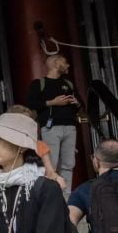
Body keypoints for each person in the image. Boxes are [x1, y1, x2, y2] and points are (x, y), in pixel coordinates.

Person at [26, 54, 80, 195]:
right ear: (56, 63)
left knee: (68, 164)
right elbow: (30, 103)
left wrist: (76, 102)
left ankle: (66, 196)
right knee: (51, 164)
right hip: (51, 128)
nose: (67, 65)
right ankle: (52, 195)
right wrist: (52, 102)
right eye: (65, 61)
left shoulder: (69, 84)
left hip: (70, 127)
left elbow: (80, 105)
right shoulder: (39, 84)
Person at [0, 106, 65, 191]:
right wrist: (4, 187)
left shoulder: (39, 145)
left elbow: (50, 172)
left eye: (29, 122)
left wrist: (56, 178)